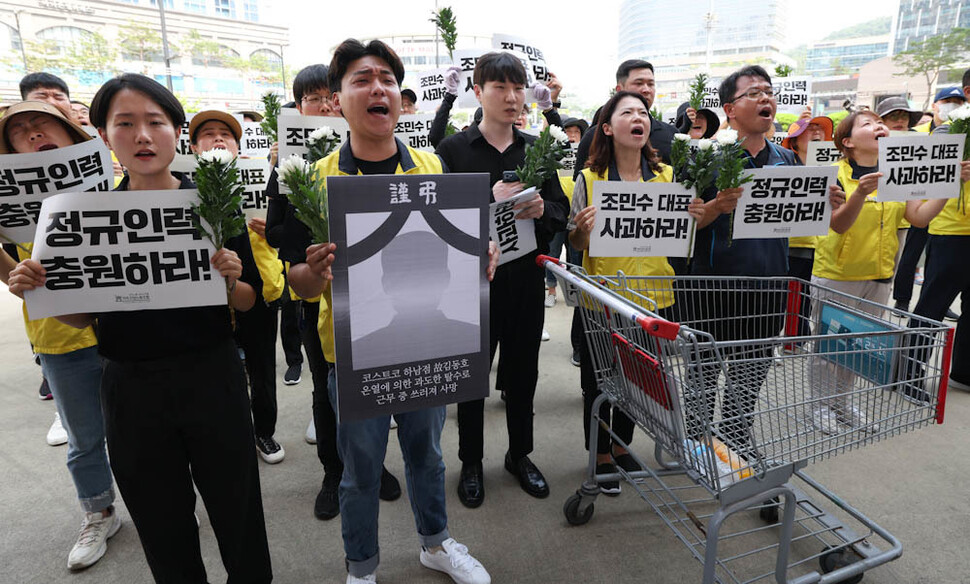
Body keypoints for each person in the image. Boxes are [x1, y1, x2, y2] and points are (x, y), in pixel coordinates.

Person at [8, 73, 273, 583]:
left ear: (177, 131)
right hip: (130, 388)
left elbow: (250, 300)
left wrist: (230, 279)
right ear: (105, 137)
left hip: (212, 378)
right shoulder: (85, 218)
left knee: (237, 512)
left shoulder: (212, 205)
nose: (143, 136)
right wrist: (38, 289)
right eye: (125, 124)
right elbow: (83, 317)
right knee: (161, 521)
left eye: (155, 122)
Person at [288, 38, 494, 584]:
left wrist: (483, 256)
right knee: (359, 472)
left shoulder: (432, 165)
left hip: (429, 342)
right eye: (361, 79)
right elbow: (297, 285)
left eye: (386, 79)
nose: (377, 88)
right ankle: (361, 567)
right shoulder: (313, 178)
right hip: (355, 352)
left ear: (400, 98)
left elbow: (460, 245)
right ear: (337, 100)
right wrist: (315, 271)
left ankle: (436, 543)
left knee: (427, 456)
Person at [265, 63, 402, 520]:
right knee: (329, 395)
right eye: (313, 98)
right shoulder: (294, 167)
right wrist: (315, 246)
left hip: (385, 303)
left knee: (378, 392)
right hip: (327, 308)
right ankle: (332, 472)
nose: (322, 105)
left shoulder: (400, 159)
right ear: (298, 106)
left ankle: (374, 464)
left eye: (328, 96)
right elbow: (279, 234)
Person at [683, 65, 843, 453]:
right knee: (703, 371)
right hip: (713, 286)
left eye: (768, 92)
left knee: (750, 371)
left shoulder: (788, 161)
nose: (765, 98)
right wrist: (717, 207)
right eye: (753, 93)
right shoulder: (708, 158)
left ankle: (736, 438)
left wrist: (825, 203)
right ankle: (695, 439)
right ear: (730, 109)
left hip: (769, 284)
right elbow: (685, 224)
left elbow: (802, 219)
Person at [436, 51, 569, 509]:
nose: (512, 98)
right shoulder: (452, 150)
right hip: (470, 285)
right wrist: (484, 200)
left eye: (518, 88)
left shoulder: (538, 149)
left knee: (523, 372)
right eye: (500, 88)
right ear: (478, 92)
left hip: (525, 284)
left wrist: (542, 210)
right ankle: (470, 461)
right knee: (471, 377)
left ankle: (520, 454)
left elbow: (561, 215)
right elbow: (438, 220)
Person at [0, 100, 120, 571]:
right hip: (58, 339)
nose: (32, 135)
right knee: (84, 439)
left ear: (73, 137)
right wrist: (16, 276)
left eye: (42, 124)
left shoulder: (117, 189)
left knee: (147, 430)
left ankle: (163, 501)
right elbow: (14, 280)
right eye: (19, 132)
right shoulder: (12, 206)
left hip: (125, 334)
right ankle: (99, 512)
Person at [568, 91, 703, 493]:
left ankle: (623, 445)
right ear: (608, 128)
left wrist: (692, 217)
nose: (637, 117)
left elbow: (682, 242)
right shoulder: (590, 179)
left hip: (653, 299)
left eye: (643, 112)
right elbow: (574, 243)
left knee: (639, 377)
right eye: (627, 112)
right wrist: (582, 229)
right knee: (601, 379)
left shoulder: (667, 178)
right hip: (605, 300)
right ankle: (601, 452)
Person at [809, 109, 946, 432]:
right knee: (829, 346)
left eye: (879, 123)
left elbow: (919, 218)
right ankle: (819, 407)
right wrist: (859, 193)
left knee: (859, 346)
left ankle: (843, 403)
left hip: (881, 276)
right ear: (848, 142)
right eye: (868, 123)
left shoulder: (897, 172)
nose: (879, 126)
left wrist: (946, 185)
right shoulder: (832, 174)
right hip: (837, 275)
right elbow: (838, 224)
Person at [189, 109, 288, 464]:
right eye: (208, 134)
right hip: (205, 298)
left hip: (259, 288)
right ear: (193, 146)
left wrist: (271, 232)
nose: (218, 139)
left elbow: (287, 234)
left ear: (238, 145)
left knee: (262, 367)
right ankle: (226, 435)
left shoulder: (263, 179)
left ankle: (264, 431)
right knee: (215, 372)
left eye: (225, 135)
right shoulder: (181, 190)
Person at [874, 97, 940, 313]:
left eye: (904, 116)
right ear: (880, 120)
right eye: (893, 116)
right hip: (870, 215)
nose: (899, 120)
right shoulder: (868, 145)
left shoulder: (917, 144)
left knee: (891, 266)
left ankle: (885, 301)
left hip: (904, 218)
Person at [574, 59, 677, 178]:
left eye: (651, 84)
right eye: (638, 83)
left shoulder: (671, 136)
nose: (646, 90)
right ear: (619, 89)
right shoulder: (594, 137)